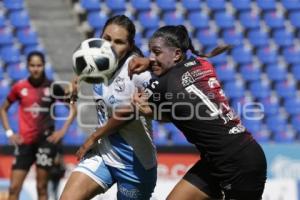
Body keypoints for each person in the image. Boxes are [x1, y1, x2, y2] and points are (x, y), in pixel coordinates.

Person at [129, 25, 267, 200]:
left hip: (239, 164)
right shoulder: (203, 63)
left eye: (156, 52)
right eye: (150, 53)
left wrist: (141, 106)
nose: (151, 58)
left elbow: (138, 103)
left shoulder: (162, 84)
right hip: (224, 158)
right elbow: (182, 111)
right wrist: (150, 63)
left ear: (177, 54)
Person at [60, 15, 157, 200]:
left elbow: (129, 113)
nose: (111, 46)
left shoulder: (137, 72)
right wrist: (75, 82)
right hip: (103, 155)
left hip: (134, 164)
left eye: (119, 42)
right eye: (107, 39)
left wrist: (94, 136)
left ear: (129, 45)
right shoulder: (98, 60)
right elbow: (86, 69)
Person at [0, 51, 77, 200]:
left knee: (41, 187)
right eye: (32, 65)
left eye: (39, 65)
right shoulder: (19, 87)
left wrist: (62, 131)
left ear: (44, 66)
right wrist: (9, 132)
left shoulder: (52, 87)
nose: (36, 69)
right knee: (14, 187)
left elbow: (73, 108)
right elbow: (3, 109)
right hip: (25, 143)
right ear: (28, 66)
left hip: (45, 143)